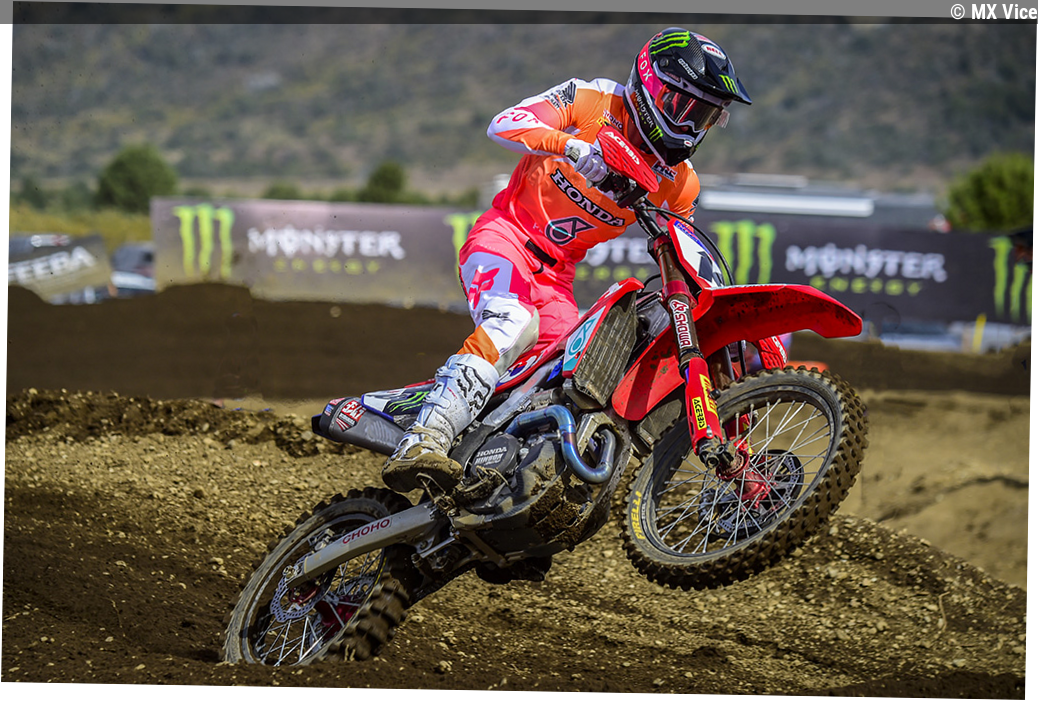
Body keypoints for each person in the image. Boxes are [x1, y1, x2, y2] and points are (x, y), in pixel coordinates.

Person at [382, 27, 752, 493]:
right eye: (687, 108)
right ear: (654, 84)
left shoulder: (679, 183)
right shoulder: (592, 99)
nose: (693, 126)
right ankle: (423, 438)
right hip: (504, 238)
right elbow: (505, 122)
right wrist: (574, 147)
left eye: (707, 116)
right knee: (513, 321)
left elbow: (684, 247)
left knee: (571, 378)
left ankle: (497, 479)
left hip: (557, 280)